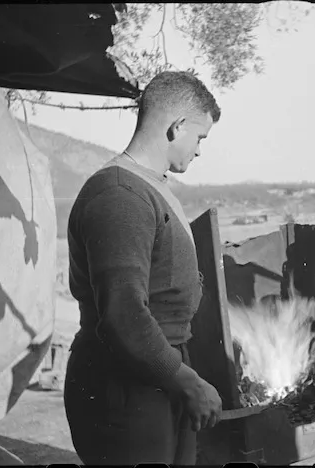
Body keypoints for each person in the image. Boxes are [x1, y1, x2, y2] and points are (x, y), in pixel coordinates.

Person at [64, 71, 223, 465]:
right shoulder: (120, 194)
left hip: (155, 376)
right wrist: (184, 380)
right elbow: (123, 313)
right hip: (126, 385)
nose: (200, 150)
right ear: (177, 126)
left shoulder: (150, 185)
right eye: (200, 137)